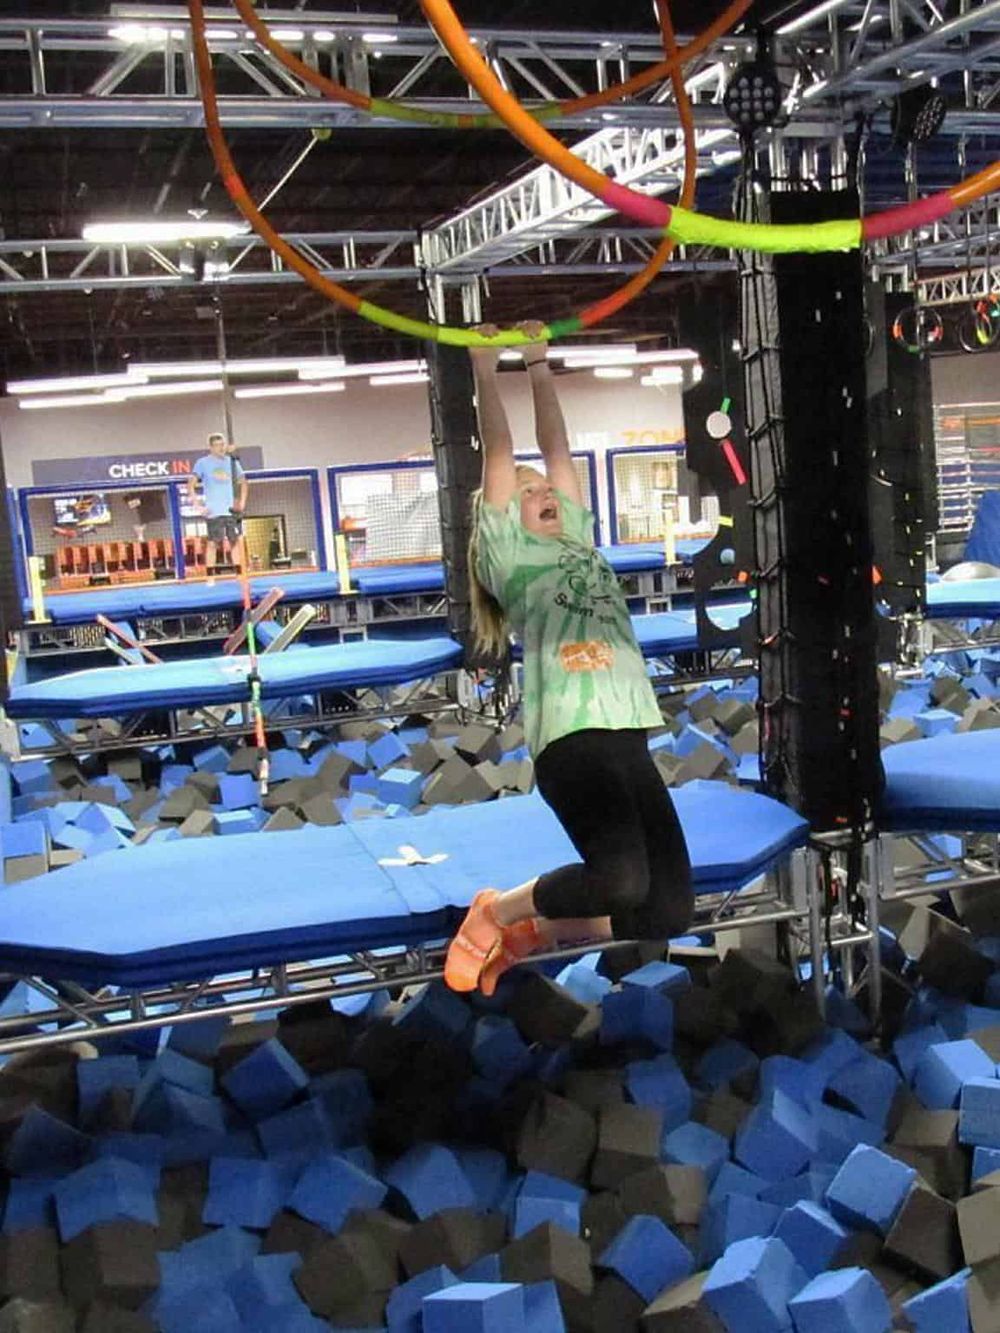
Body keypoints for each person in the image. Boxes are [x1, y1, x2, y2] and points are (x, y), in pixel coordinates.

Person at [444, 321, 694, 996]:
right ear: (501, 523)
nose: (540, 493)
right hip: (572, 741)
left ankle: (537, 935)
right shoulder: (513, 561)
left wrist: (539, 363)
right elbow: (501, 447)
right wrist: (484, 367)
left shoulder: (580, 539)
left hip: (628, 734)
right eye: (524, 494)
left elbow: (557, 447)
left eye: (543, 489)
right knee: (620, 879)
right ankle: (495, 911)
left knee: (667, 908)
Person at [187, 432, 249, 575]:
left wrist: (242, 503)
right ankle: (210, 576)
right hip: (214, 510)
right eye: (217, 445)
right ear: (210, 447)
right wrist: (198, 506)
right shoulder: (203, 463)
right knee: (212, 543)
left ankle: (239, 574)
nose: (220, 448)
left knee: (234, 542)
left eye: (222, 445)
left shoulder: (232, 462)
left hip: (231, 509)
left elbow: (244, 483)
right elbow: (190, 485)